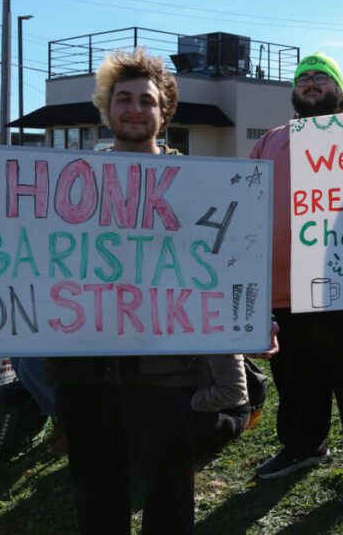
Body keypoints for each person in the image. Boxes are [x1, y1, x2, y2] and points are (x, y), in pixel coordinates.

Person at [44, 47, 277, 534]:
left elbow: (227, 266)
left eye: (146, 101)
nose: (134, 109)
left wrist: (249, 323)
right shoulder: (66, 186)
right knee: (96, 498)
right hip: (85, 374)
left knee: (170, 502)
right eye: (123, 98)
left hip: (169, 378)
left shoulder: (201, 186)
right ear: (107, 109)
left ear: (165, 111)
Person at [250, 52, 343, 508]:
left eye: (321, 77)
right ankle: (303, 445)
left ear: (339, 87)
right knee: (296, 378)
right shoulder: (271, 139)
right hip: (284, 289)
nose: (311, 83)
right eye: (303, 77)